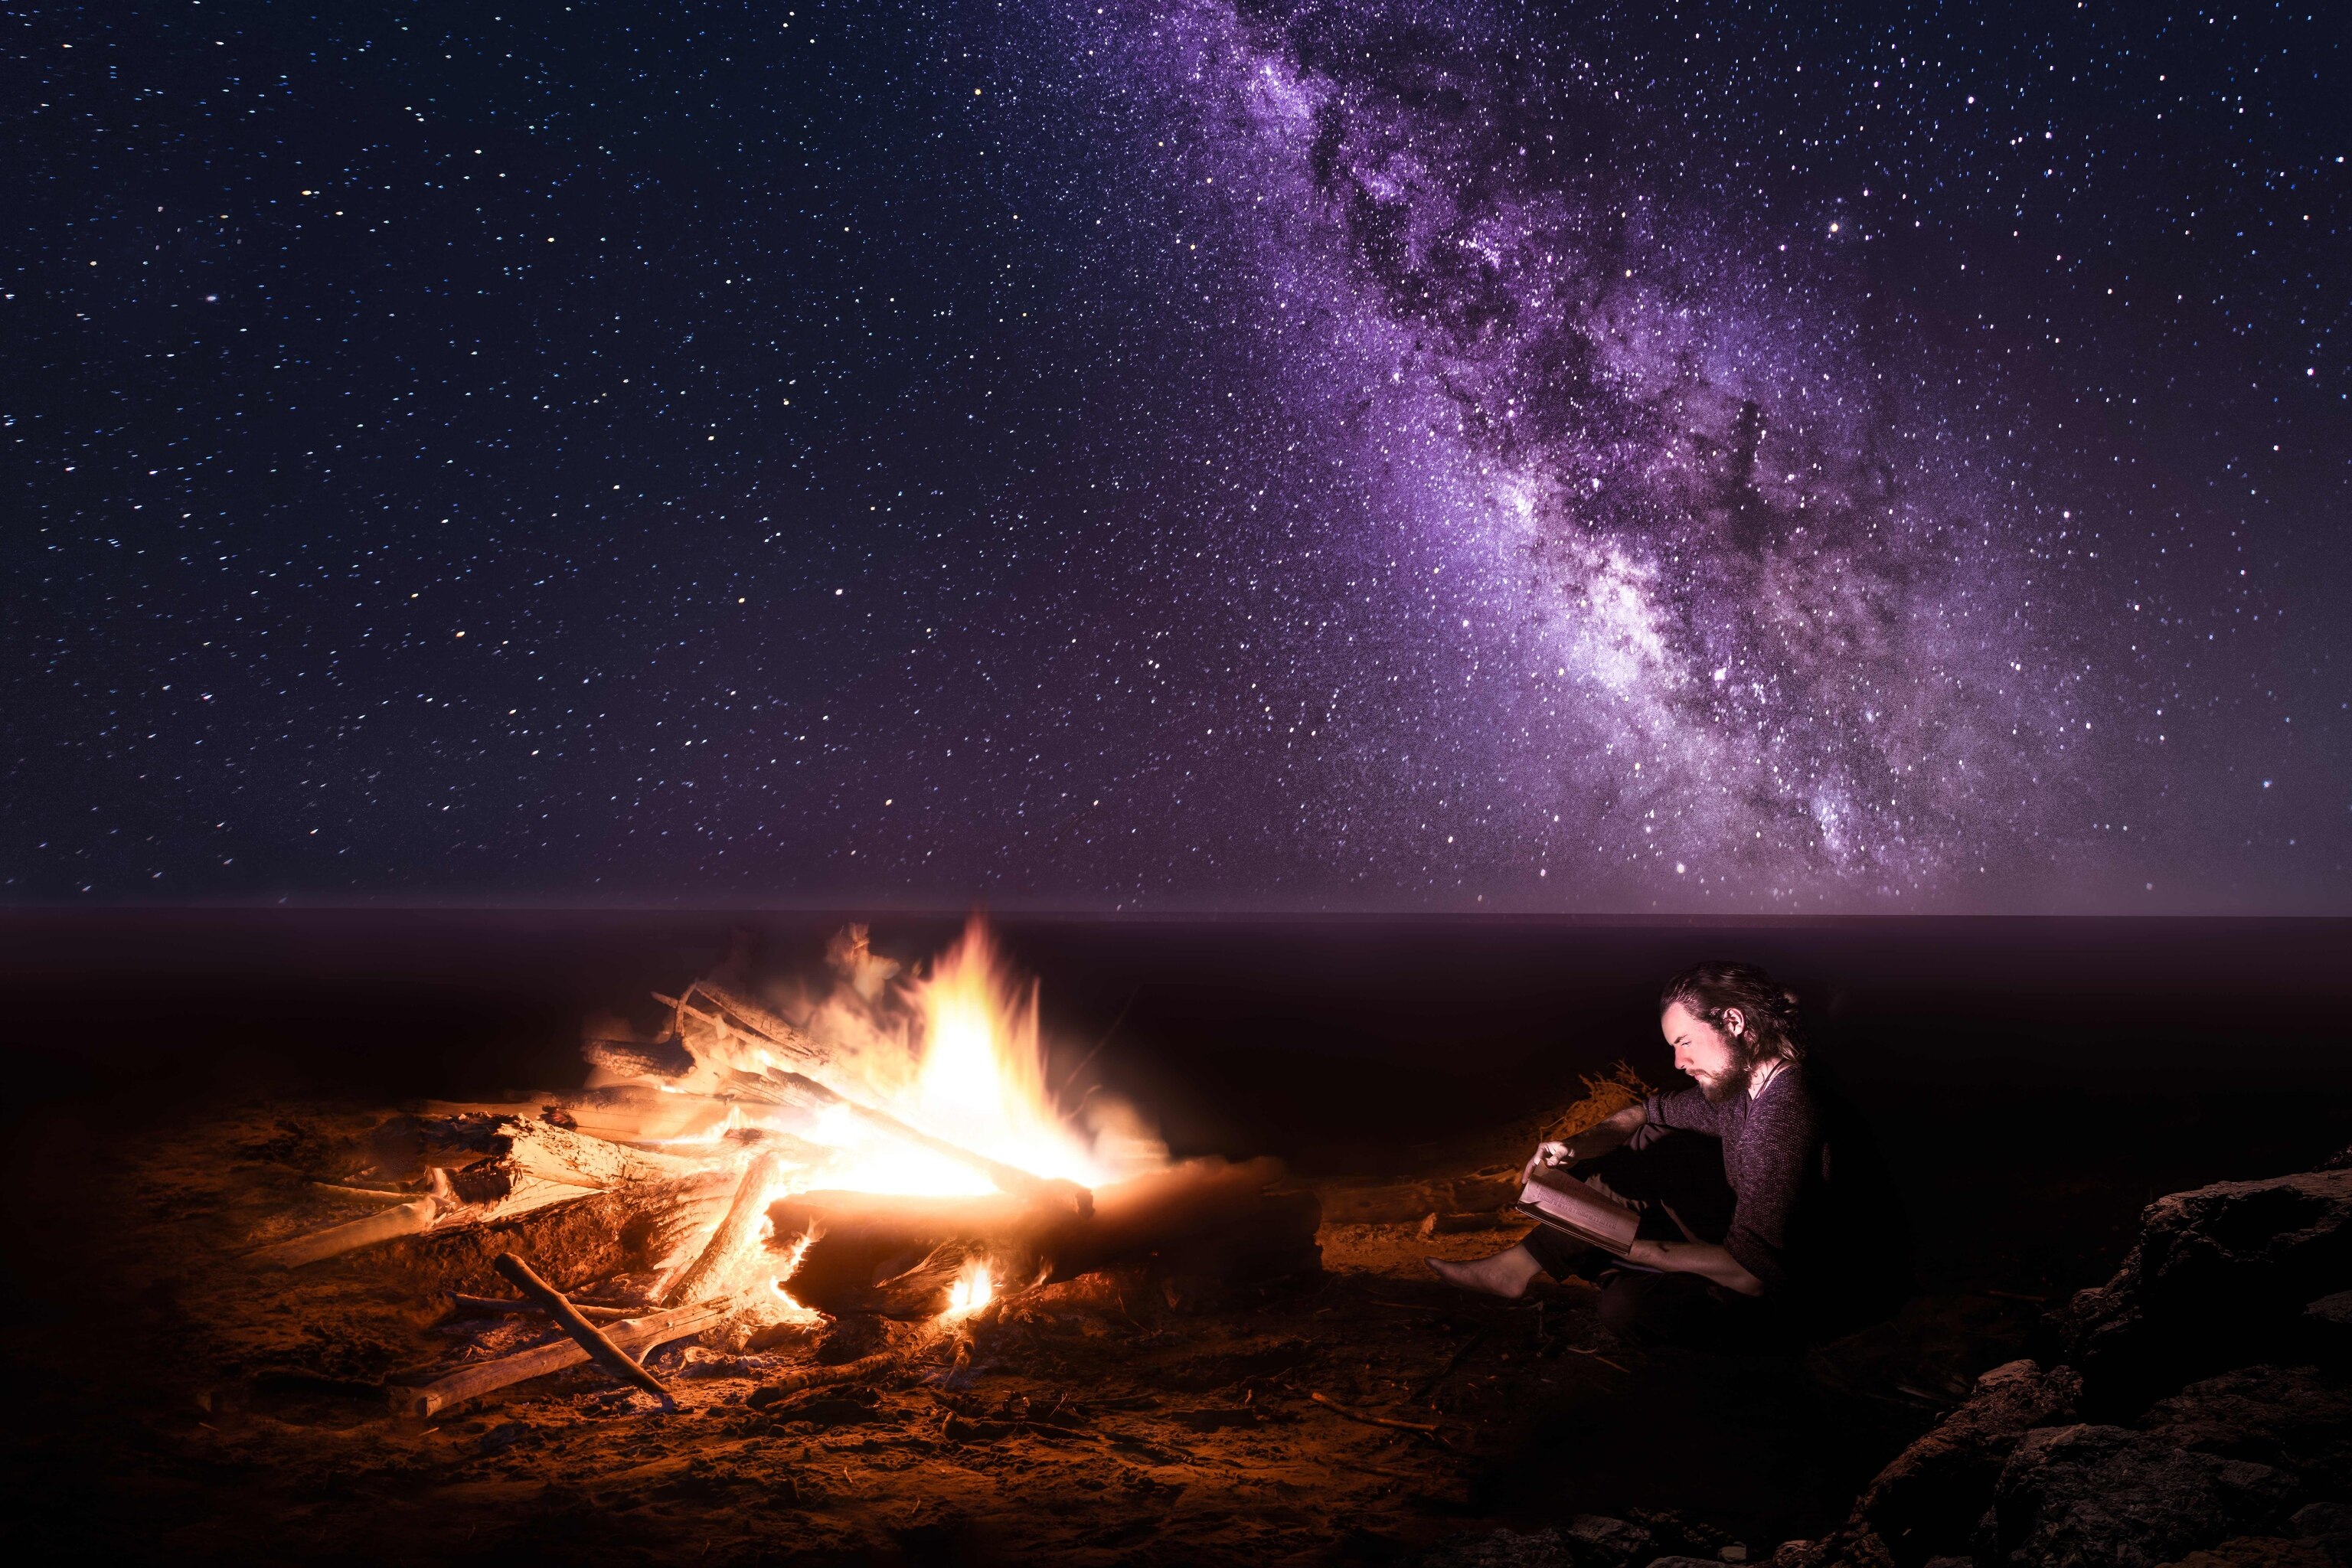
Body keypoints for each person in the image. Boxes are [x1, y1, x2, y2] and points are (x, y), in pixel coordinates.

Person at [1428, 961, 1911, 1349]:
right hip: (1768, 1258)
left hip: (1816, 1297)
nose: (1678, 1062)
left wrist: (1631, 1245)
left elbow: (1752, 1276)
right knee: (1647, 1144)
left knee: (1627, 1310)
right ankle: (1519, 1268)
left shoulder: (1785, 1112)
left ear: (1734, 1022)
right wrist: (1576, 1145)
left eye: (1684, 1042)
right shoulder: (1749, 1085)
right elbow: (1646, 1112)